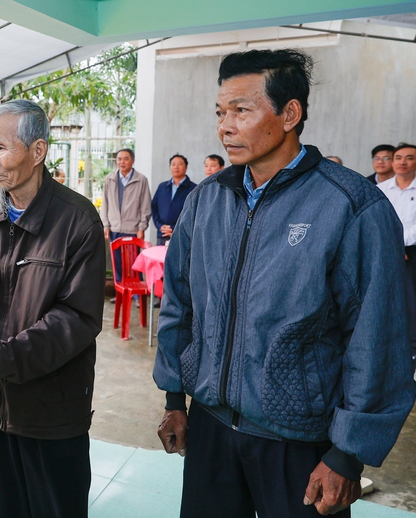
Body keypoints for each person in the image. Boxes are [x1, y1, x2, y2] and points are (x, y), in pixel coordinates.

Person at [153, 49, 415, 518]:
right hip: (210, 426)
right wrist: (175, 397)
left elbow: (378, 340)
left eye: (241, 110)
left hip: (300, 440)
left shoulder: (351, 206)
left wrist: (346, 454)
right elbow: (179, 303)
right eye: (220, 112)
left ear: (289, 113)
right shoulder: (207, 200)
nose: (225, 126)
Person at [0, 99, 106, 518]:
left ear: (37, 152)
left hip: (51, 411)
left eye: (0, 148)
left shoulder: (78, 220)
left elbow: (76, 318)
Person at [378, 143, 416, 367]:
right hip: (388, 251)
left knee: (411, 305)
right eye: (398, 157)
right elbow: (379, 221)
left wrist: (400, 243)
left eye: (409, 158)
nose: (402, 162)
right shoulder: (382, 189)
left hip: (411, 252)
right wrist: (393, 246)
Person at [100, 148, 151, 281]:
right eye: (119, 159)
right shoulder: (110, 179)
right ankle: (120, 292)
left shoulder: (141, 180)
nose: (122, 162)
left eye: (126, 159)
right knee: (117, 263)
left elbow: (145, 206)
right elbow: (105, 204)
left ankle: (135, 292)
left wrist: (141, 228)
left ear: (132, 161)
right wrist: (106, 225)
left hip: (132, 229)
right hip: (114, 228)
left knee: (133, 262)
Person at [151, 154, 197, 245]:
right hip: (162, 234)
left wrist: (174, 228)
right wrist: (160, 226)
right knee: (160, 258)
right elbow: (154, 208)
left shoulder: (193, 188)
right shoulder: (162, 187)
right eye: (173, 164)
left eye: (180, 164)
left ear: (186, 167)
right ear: (170, 167)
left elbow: (193, 214)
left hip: (181, 235)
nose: (176, 167)